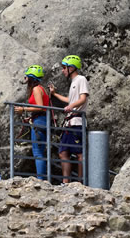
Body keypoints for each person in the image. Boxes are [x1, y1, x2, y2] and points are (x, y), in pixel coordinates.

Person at [48, 55, 89, 184]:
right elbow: (70, 100)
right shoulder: (73, 83)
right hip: (70, 123)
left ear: (72, 68)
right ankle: (66, 183)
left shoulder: (81, 79)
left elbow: (83, 99)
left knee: (79, 154)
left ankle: (80, 183)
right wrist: (55, 94)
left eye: (64, 67)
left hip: (77, 122)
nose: (62, 70)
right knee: (63, 152)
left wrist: (70, 107)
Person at [14, 65, 50, 180]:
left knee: (37, 152)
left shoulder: (36, 89)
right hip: (42, 120)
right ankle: (42, 178)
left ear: (31, 77)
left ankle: (41, 179)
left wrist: (23, 109)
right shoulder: (42, 88)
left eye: (27, 77)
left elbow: (40, 107)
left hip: (39, 121)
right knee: (40, 151)